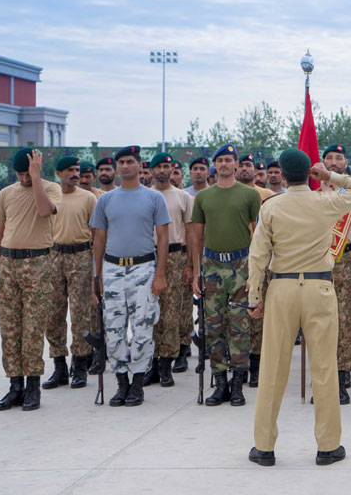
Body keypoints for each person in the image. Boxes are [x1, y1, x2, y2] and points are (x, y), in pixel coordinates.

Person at [246, 148, 351, 467]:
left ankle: (264, 447)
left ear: (283, 176)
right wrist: (330, 177)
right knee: (325, 367)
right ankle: (328, 446)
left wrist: (254, 298)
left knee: (273, 367)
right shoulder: (325, 201)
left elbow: (258, 256)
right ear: (310, 173)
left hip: (282, 288)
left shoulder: (271, 206)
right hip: (320, 286)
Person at [90, 145, 170, 407]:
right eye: (120, 162)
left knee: (143, 328)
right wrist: (97, 275)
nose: (124, 166)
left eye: (130, 162)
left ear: (139, 165)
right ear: (116, 168)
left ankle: (137, 383)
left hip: (144, 268)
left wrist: (160, 275)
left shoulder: (154, 198)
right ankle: (121, 382)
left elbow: (163, 237)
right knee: (113, 330)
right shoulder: (106, 200)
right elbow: (99, 239)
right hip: (113, 269)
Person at [0, 148, 62, 411]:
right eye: (21, 175)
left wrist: (37, 176)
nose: (25, 179)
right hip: (8, 264)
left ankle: (32, 387)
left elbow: (43, 211)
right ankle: (14, 385)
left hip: (37, 263)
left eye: (28, 174)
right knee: (10, 329)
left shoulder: (51, 189)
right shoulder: (7, 193)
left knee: (32, 328)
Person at [191, 144, 261, 406]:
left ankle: (237, 383)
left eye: (228, 160)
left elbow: (259, 234)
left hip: (241, 264)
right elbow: (197, 236)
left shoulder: (249, 194)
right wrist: (196, 270)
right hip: (211, 265)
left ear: (235, 164)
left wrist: (258, 271)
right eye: (219, 160)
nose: (223, 164)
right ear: (215, 165)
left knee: (241, 325)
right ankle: (220, 381)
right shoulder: (203, 197)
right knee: (214, 326)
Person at [320, 144, 351, 403]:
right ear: (322, 162)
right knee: (319, 322)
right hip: (318, 262)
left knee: (345, 320)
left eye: (339, 158)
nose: (334, 162)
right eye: (329, 157)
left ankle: (340, 375)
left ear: (345, 162)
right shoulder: (313, 191)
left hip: (347, 258)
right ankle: (322, 379)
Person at [43, 155, 97, 391]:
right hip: (54, 256)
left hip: (81, 256)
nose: (76, 174)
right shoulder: (50, 196)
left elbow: (96, 234)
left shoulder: (88, 198)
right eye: (70, 171)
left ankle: (81, 365)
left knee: (80, 314)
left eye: (77, 170)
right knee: (53, 314)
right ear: (59, 174)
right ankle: (59, 366)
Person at [149, 152, 194, 386]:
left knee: (171, 311)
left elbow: (192, 233)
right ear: (152, 171)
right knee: (149, 312)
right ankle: (152, 363)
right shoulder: (145, 196)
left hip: (176, 255)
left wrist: (190, 265)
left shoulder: (183, 197)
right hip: (148, 256)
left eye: (167, 166)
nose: (163, 171)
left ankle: (167, 361)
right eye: (159, 167)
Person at [238, 153, 274, 387]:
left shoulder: (268, 197)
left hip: (262, 258)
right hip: (236, 260)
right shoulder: (227, 194)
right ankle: (238, 366)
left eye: (248, 165)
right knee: (239, 317)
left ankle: (257, 366)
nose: (244, 169)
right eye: (241, 165)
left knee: (259, 315)